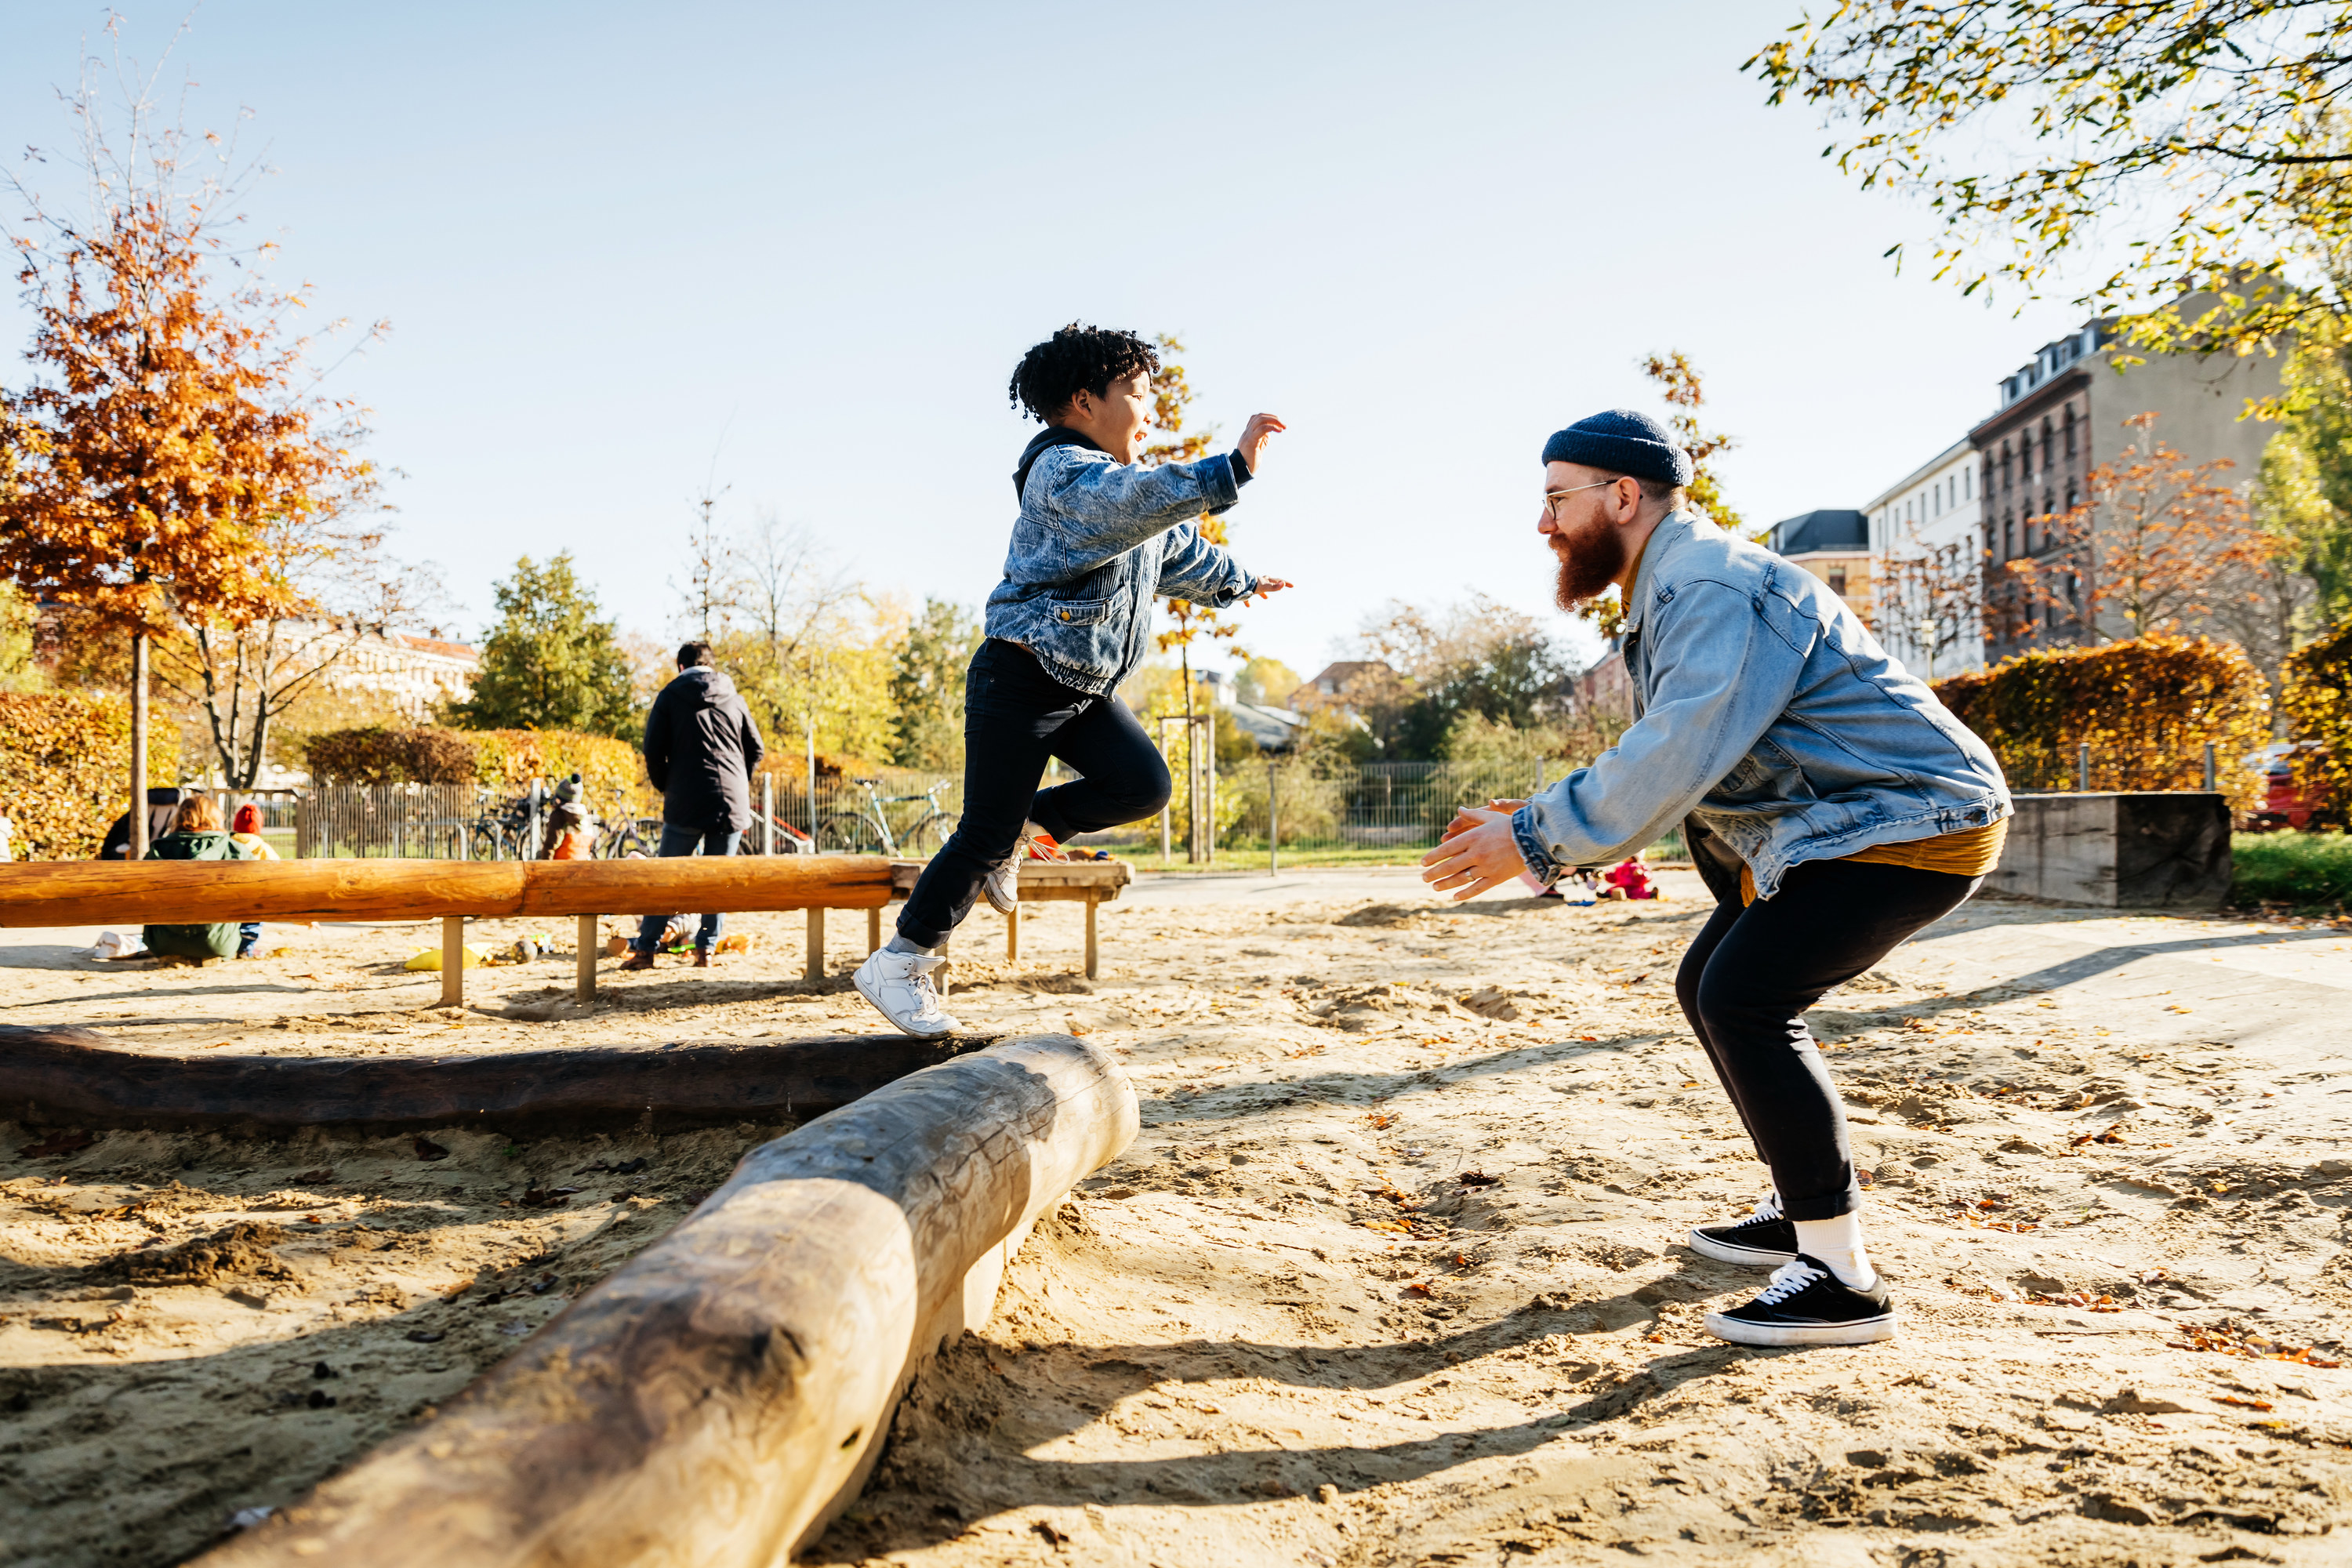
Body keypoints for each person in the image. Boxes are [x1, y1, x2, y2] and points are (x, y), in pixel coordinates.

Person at [1419, 408, 2009, 1349]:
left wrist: (1533, 837)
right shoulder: (1673, 585)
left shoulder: (1706, 583)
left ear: (1621, 496)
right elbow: (1702, 762)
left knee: (1745, 996)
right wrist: (1531, 824)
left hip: (1912, 820)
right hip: (1844, 826)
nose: (1543, 525)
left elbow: (1679, 747)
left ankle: (1842, 1277)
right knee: (1713, 983)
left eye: (1555, 500)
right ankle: (1799, 1206)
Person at [854, 323, 1292, 1036]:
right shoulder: (1063, 475)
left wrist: (1241, 581)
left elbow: (1176, 550)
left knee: (1144, 784)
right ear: (1086, 402)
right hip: (1020, 679)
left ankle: (1036, 827)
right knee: (982, 833)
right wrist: (1229, 468)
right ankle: (901, 960)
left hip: (1082, 688)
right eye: (1139, 395)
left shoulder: (1119, 497)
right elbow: (1139, 501)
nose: (1149, 413)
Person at [628, 642, 765, 969]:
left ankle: (646, 950)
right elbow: (756, 749)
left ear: (680, 666)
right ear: (711, 665)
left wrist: (667, 786)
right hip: (731, 802)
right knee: (719, 879)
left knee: (667, 876)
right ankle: (705, 951)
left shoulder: (670, 696)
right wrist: (737, 784)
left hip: (685, 799)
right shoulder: (734, 696)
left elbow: (652, 749)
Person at [143, 795, 253, 960]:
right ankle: (246, 948)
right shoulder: (234, 849)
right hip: (218, 943)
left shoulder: (157, 849)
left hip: (162, 942)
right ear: (216, 817)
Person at [227, 803, 279, 957]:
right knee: (253, 921)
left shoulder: (228, 843)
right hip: (253, 897)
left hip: (229, 895)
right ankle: (246, 948)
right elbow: (277, 868)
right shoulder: (262, 847)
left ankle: (231, 945)